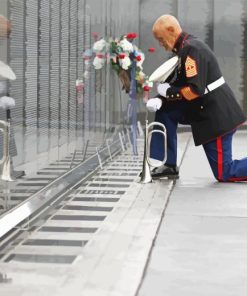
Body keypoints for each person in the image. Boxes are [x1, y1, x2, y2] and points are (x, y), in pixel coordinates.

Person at [146, 14, 247, 182]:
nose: (161, 44)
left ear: (171, 30)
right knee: (165, 111)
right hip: (204, 109)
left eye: (161, 39)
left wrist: (169, 92)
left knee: (224, 173)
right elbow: (180, 83)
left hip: (216, 116)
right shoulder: (185, 48)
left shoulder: (192, 50)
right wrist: (161, 98)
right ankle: (168, 164)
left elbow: (194, 91)